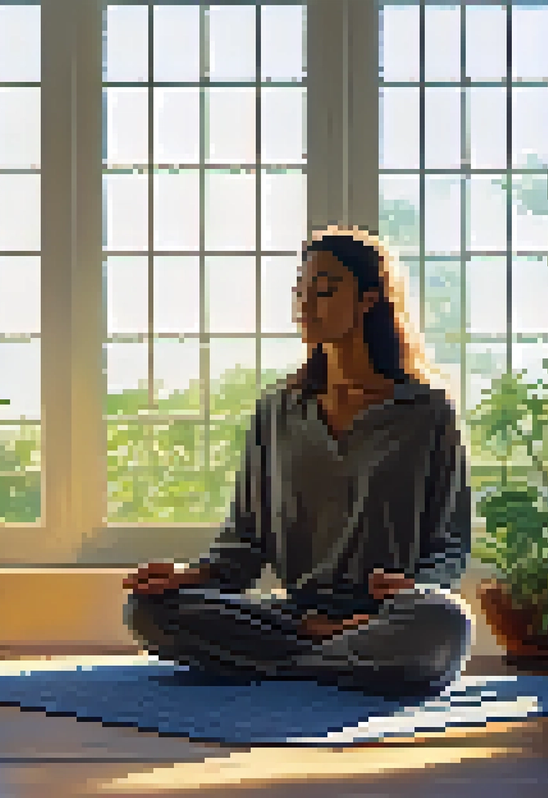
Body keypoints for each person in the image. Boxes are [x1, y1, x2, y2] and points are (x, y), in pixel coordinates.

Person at [122, 229, 474, 699]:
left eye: (324, 291)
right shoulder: (277, 411)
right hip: (298, 618)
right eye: (300, 292)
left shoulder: (428, 412)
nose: (305, 306)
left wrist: (415, 590)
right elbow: (245, 543)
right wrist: (191, 575)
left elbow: (450, 544)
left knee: (446, 624)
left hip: (389, 617)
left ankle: (290, 663)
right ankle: (334, 659)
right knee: (147, 611)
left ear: (369, 299)